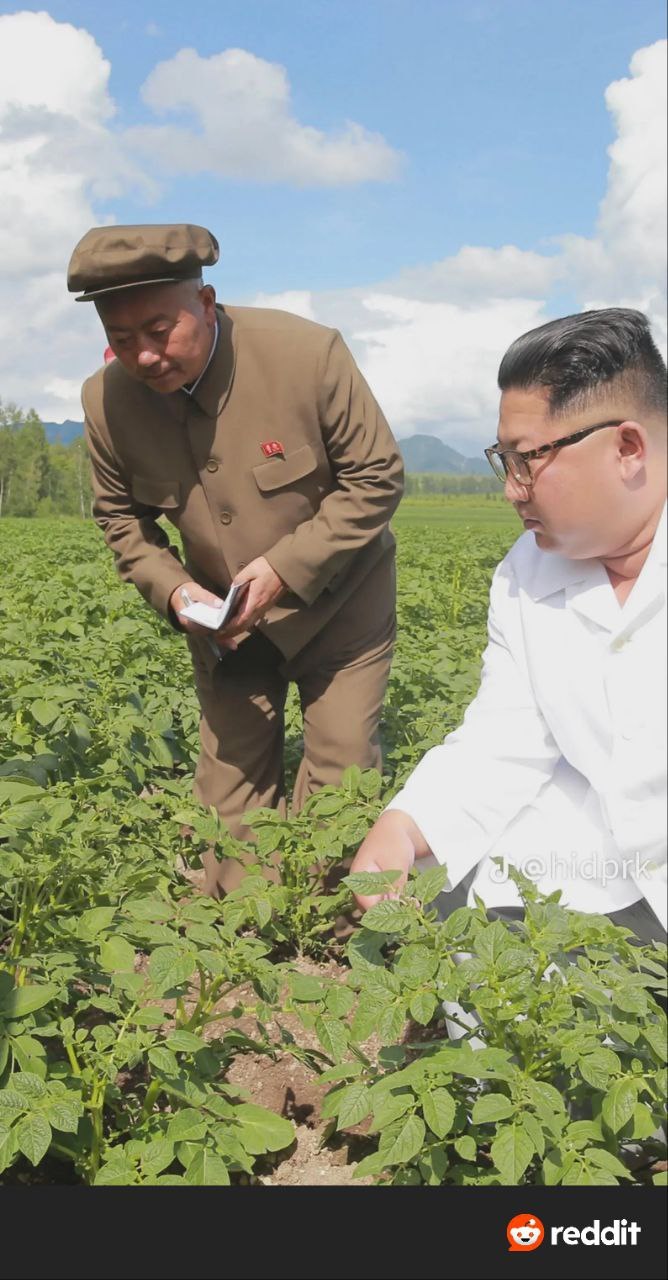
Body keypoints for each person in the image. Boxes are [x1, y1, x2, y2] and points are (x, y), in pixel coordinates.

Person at [67, 223, 404, 894]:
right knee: (226, 810)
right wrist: (176, 592)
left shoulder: (306, 355)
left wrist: (283, 570)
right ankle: (236, 929)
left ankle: (335, 931)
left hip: (342, 605)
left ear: (206, 302)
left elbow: (376, 476)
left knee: (341, 775)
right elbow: (121, 520)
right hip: (226, 625)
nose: (145, 356)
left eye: (159, 330)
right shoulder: (106, 402)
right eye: (122, 339)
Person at [351, 307, 667, 947]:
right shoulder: (527, 571)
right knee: (464, 943)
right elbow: (508, 735)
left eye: (529, 459)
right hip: (592, 861)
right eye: (505, 460)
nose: (512, 489)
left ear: (627, 449)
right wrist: (407, 825)